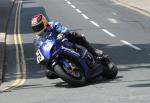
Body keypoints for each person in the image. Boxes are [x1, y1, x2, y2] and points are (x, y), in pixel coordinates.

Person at [31, 14, 106, 79]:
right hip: (53, 50)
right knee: (49, 74)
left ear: (44, 22)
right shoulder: (37, 39)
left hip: (63, 40)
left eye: (38, 26)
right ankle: (66, 72)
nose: (37, 29)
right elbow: (38, 49)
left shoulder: (52, 25)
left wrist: (63, 32)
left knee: (76, 36)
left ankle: (94, 51)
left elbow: (63, 29)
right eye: (35, 28)